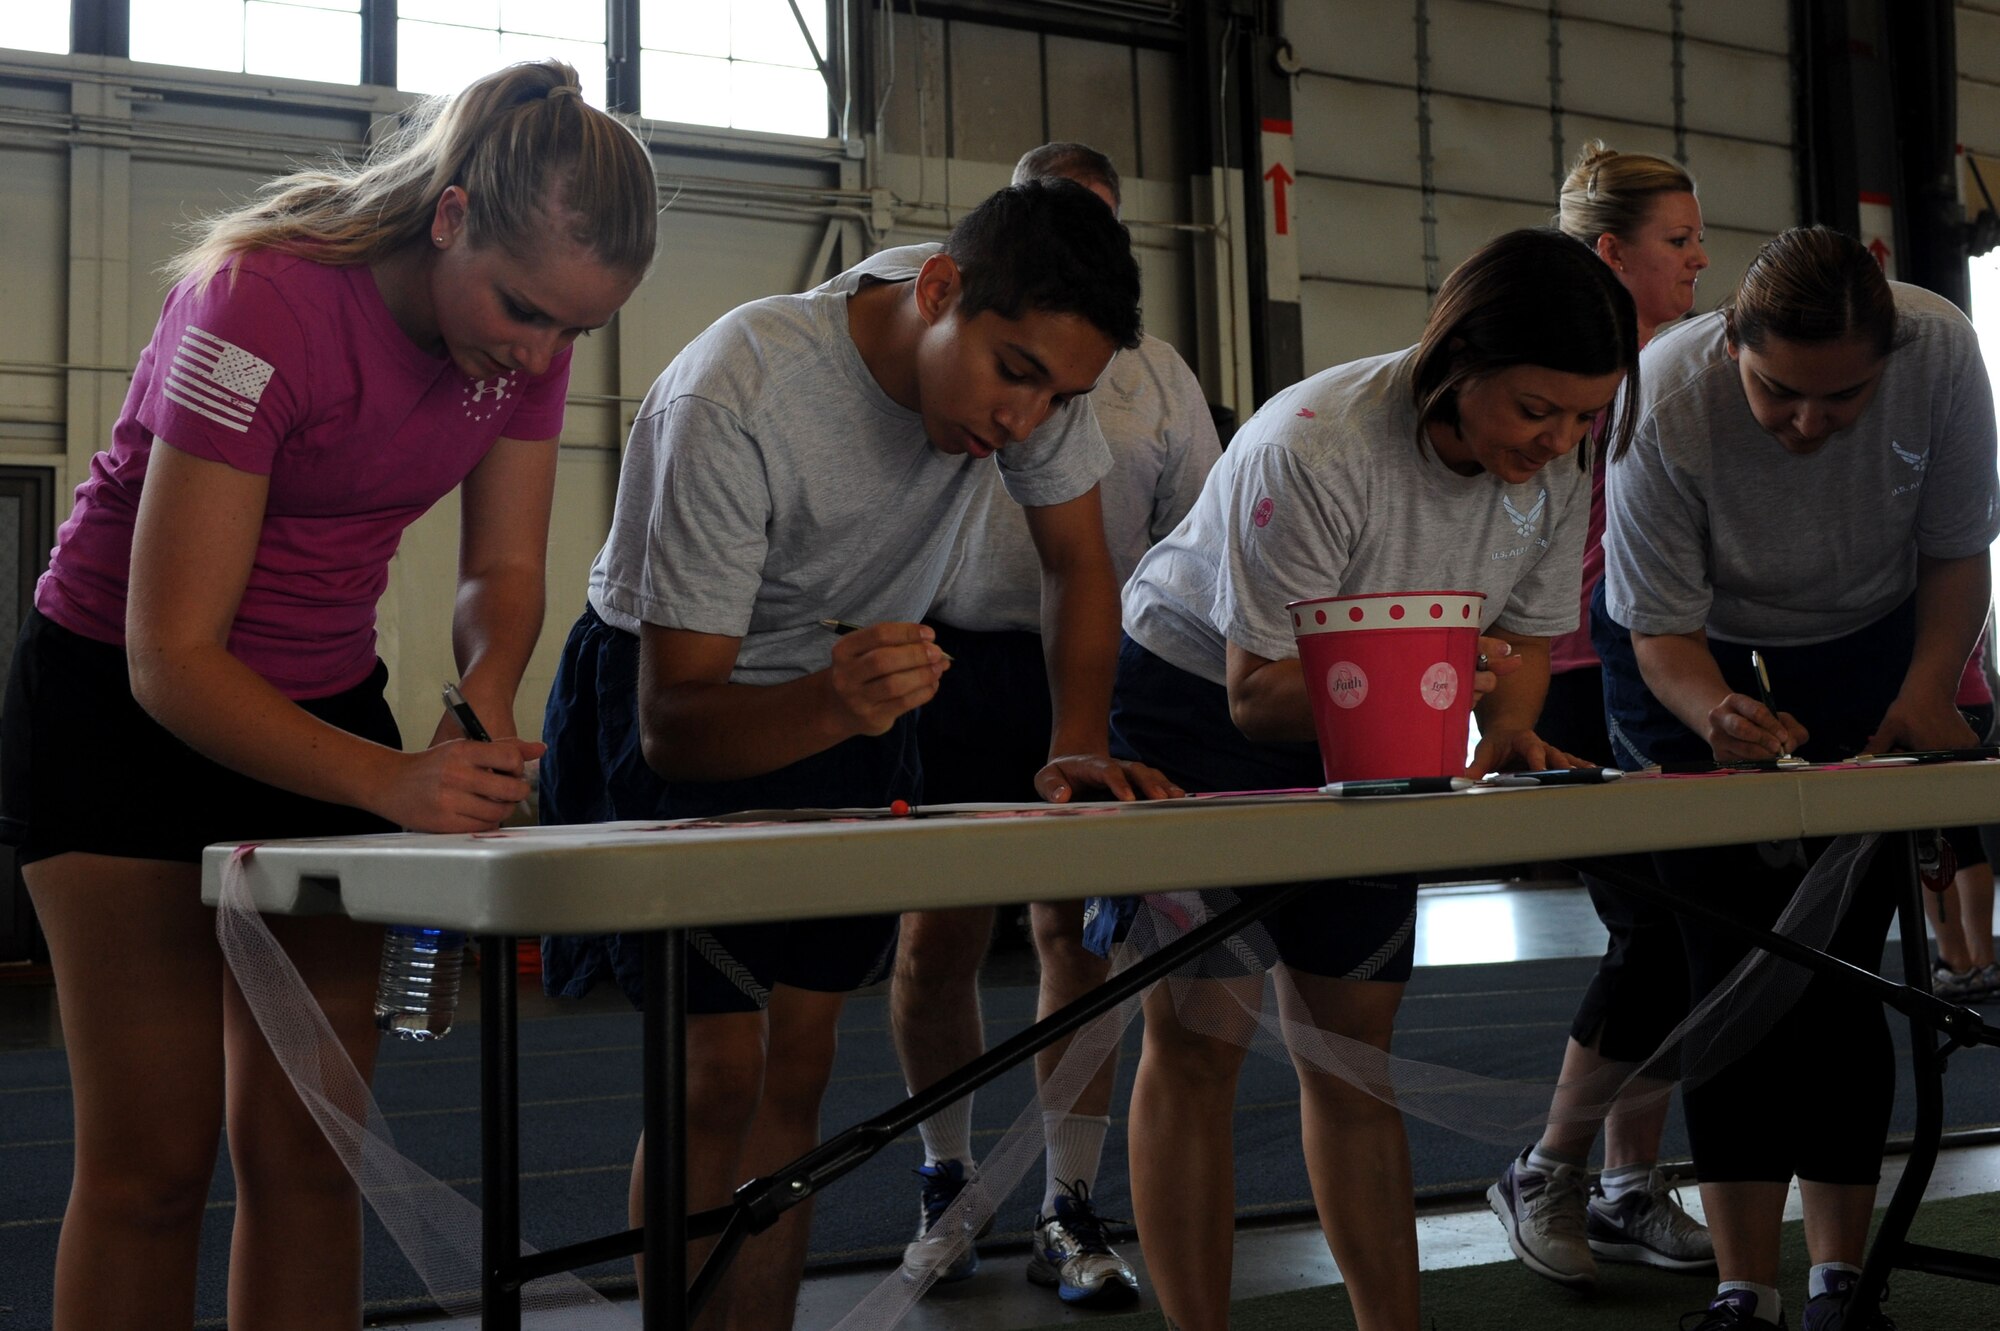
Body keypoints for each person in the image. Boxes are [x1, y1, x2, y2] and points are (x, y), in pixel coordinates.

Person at [0, 60, 657, 1331]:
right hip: (119, 711)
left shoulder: (524, 334)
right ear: (451, 214)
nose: (537, 352)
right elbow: (170, 657)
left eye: (572, 331)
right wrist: (388, 782)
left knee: (312, 1150)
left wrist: (478, 690)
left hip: (320, 697)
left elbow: (504, 566)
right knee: (152, 1166)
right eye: (526, 311)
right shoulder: (263, 299)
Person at [537, 179, 1177, 1331]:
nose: (1025, 420)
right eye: (1014, 374)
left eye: (1058, 393)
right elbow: (675, 719)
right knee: (713, 1076)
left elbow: (1080, 566)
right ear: (937, 291)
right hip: (676, 685)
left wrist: (1077, 739)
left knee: (797, 1071)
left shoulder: (1039, 374)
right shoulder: (740, 387)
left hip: (835, 687)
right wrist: (834, 704)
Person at [1100, 227, 1639, 1331]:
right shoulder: (1313, 445)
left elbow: (1527, 636)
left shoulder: (1557, 462)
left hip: (1386, 723)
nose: (1559, 439)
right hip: (1199, 703)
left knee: (1351, 1056)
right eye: (1537, 408)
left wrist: (1514, 725)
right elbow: (1256, 694)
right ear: (1457, 361)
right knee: (1198, 1042)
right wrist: (1442, 681)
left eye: (1584, 414)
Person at [821, 142, 1221, 1309]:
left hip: (1091, 665)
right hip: (943, 654)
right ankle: (947, 1178)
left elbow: (1192, 537)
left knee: (1074, 942)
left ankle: (1068, 1195)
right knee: (935, 937)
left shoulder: (1153, 377)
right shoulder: (940, 320)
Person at [1596, 226, 1999, 1330]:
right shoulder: (1659, 399)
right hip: (1689, 651)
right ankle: (1743, 1286)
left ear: (1888, 359)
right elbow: (1658, 631)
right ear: (1729, 338)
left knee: (1836, 975)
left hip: (1871, 635)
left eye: (1842, 398)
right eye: (1780, 393)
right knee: (1727, 970)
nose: (1809, 422)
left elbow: (1956, 549)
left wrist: (1926, 693)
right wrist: (1709, 709)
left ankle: (1835, 1279)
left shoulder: (1943, 352)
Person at [1488, 141, 1716, 1287]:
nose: (1697, 259)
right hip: (1566, 669)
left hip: (1649, 656)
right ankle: (1548, 1165)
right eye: (1675, 243)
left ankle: (1627, 1180)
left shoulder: (1673, 366)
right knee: (1651, 933)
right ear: (1608, 254)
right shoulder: (1549, 366)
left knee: (1677, 936)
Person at [1923, 641, 1999, 998]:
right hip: (1977, 701)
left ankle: (1956, 964)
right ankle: (1984, 963)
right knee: (1963, 839)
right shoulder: (1963, 585)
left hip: (1934, 707)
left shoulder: (1909, 583)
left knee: (1927, 837)